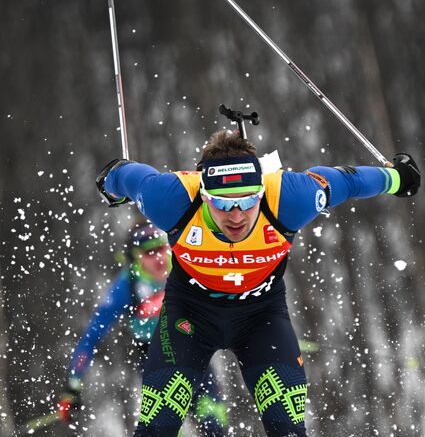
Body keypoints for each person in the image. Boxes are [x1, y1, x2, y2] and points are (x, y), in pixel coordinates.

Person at [96, 129, 420, 437]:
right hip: (190, 317)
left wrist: (396, 178)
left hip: (260, 318)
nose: (236, 215)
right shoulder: (172, 199)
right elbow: (129, 177)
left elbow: (348, 182)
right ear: (204, 194)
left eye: (248, 200)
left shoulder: (290, 198)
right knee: (156, 430)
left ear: (262, 190)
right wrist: (111, 179)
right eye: (222, 203)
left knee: (289, 431)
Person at [57, 220, 228, 436]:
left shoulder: (183, 266)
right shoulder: (127, 286)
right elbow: (91, 337)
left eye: (160, 248)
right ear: (134, 259)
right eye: (149, 253)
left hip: (195, 354)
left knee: (213, 423)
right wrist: (72, 387)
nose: (158, 258)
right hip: (153, 358)